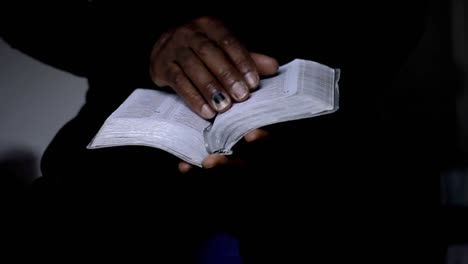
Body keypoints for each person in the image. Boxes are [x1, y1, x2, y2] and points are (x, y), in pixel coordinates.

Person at [1, 1, 452, 263]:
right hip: (138, 108)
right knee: (64, 224)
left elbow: (398, 14)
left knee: (376, 217)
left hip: (327, 111)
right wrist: (149, 44)